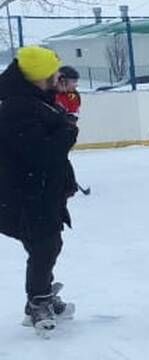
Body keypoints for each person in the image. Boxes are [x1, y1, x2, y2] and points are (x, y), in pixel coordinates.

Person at [0, 46, 78, 332]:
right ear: (38, 76)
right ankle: (38, 301)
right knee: (44, 246)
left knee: (47, 244)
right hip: (26, 194)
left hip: (40, 190)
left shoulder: (35, 99)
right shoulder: (18, 108)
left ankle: (41, 292)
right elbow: (41, 153)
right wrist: (68, 130)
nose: (58, 76)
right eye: (52, 72)